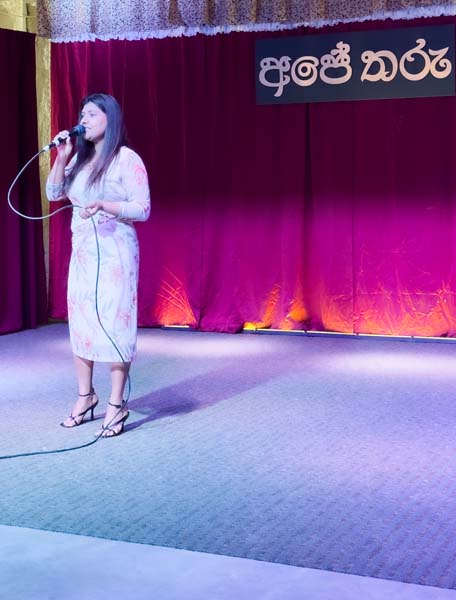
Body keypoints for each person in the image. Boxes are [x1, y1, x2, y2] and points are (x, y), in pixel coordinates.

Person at [46, 93, 151, 437]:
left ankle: (116, 403)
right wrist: (62, 157)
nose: (84, 120)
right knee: (82, 322)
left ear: (110, 118)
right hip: (83, 253)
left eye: (91, 114)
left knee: (115, 321)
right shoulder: (79, 158)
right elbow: (53, 193)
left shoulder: (126, 159)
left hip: (116, 252)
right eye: (82, 114)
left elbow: (143, 208)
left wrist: (106, 204)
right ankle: (85, 396)